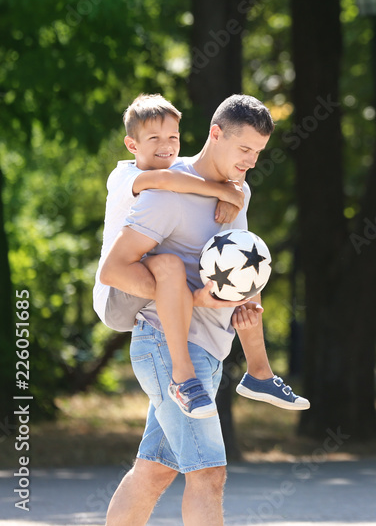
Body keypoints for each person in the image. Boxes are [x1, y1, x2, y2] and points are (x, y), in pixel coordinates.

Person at [99, 94, 298, 526]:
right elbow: (114, 270)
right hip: (167, 348)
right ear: (215, 134)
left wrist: (253, 350)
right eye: (243, 149)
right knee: (209, 473)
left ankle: (260, 377)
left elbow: (242, 269)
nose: (250, 161)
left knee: (153, 473)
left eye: (258, 153)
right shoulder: (164, 190)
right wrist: (198, 300)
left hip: (209, 348)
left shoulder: (237, 192)